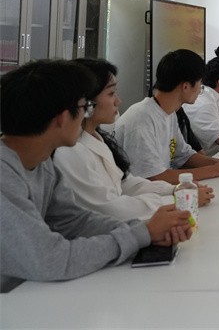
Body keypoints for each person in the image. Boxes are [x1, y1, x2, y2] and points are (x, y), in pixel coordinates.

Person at [1, 59, 192, 293]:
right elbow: (51, 259)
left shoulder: (41, 164)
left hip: (30, 292)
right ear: (62, 117)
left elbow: (74, 222)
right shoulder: (5, 175)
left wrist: (146, 233)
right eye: (85, 107)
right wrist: (142, 233)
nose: (86, 114)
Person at [54, 58, 215, 221]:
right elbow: (111, 209)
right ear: (87, 102)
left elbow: (126, 183)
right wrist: (179, 200)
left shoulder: (96, 139)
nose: (118, 101)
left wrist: (175, 190)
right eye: (111, 93)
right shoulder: (71, 152)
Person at [115, 49, 219, 184]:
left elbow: (183, 155)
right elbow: (153, 177)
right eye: (200, 83)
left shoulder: (169, 113)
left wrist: (218, 163)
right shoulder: (141, 118)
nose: (200, 90)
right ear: (186, 86)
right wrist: (215, 170)